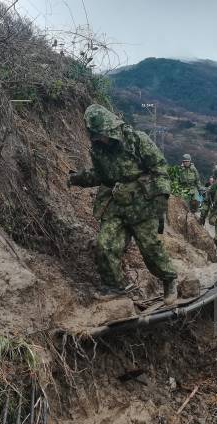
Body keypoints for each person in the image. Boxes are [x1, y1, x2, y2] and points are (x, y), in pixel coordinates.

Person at [68, 104, 178, 304]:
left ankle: (169, 280)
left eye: (100, 133)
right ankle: (115, 286)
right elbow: (100, 176)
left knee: (150, 248)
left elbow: (160, 169)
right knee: (105, 245)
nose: (98, 138)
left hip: (142, 205)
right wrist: (78, 178)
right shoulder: (98, 150)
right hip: (115, 204)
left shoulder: (137, 140)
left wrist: (161, 200)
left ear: (109, 129)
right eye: (95, 134)